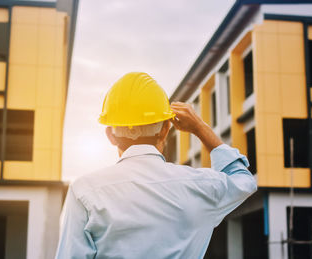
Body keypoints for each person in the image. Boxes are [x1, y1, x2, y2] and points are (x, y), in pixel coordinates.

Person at [55, 72, 257, 258]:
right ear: (165, 129)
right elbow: (243, 180)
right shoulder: (203, 185)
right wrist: (200, 128)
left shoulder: (84, 192)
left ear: (110, 136)